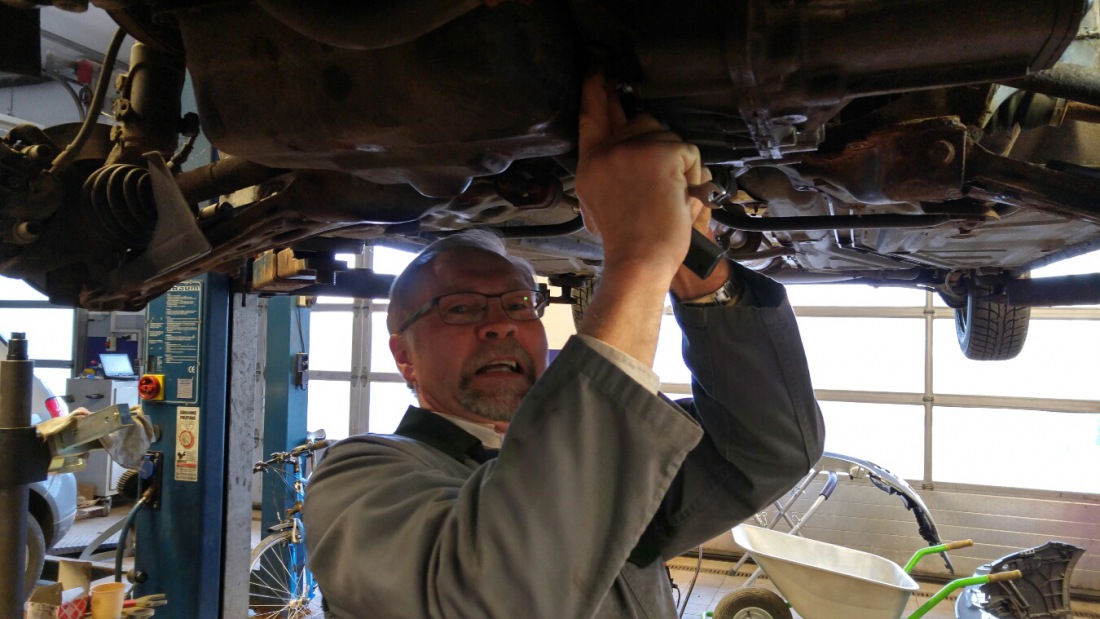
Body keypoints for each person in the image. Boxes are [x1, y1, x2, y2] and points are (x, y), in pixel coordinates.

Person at [302, 73, 826, 618]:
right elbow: (494, 599)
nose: (500, 326)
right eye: (460, 308)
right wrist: (638, 259)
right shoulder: (358, 480)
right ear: (403, 356)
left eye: (517, 304)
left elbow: (770, 448)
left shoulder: (611, 451)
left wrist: (693, 265)